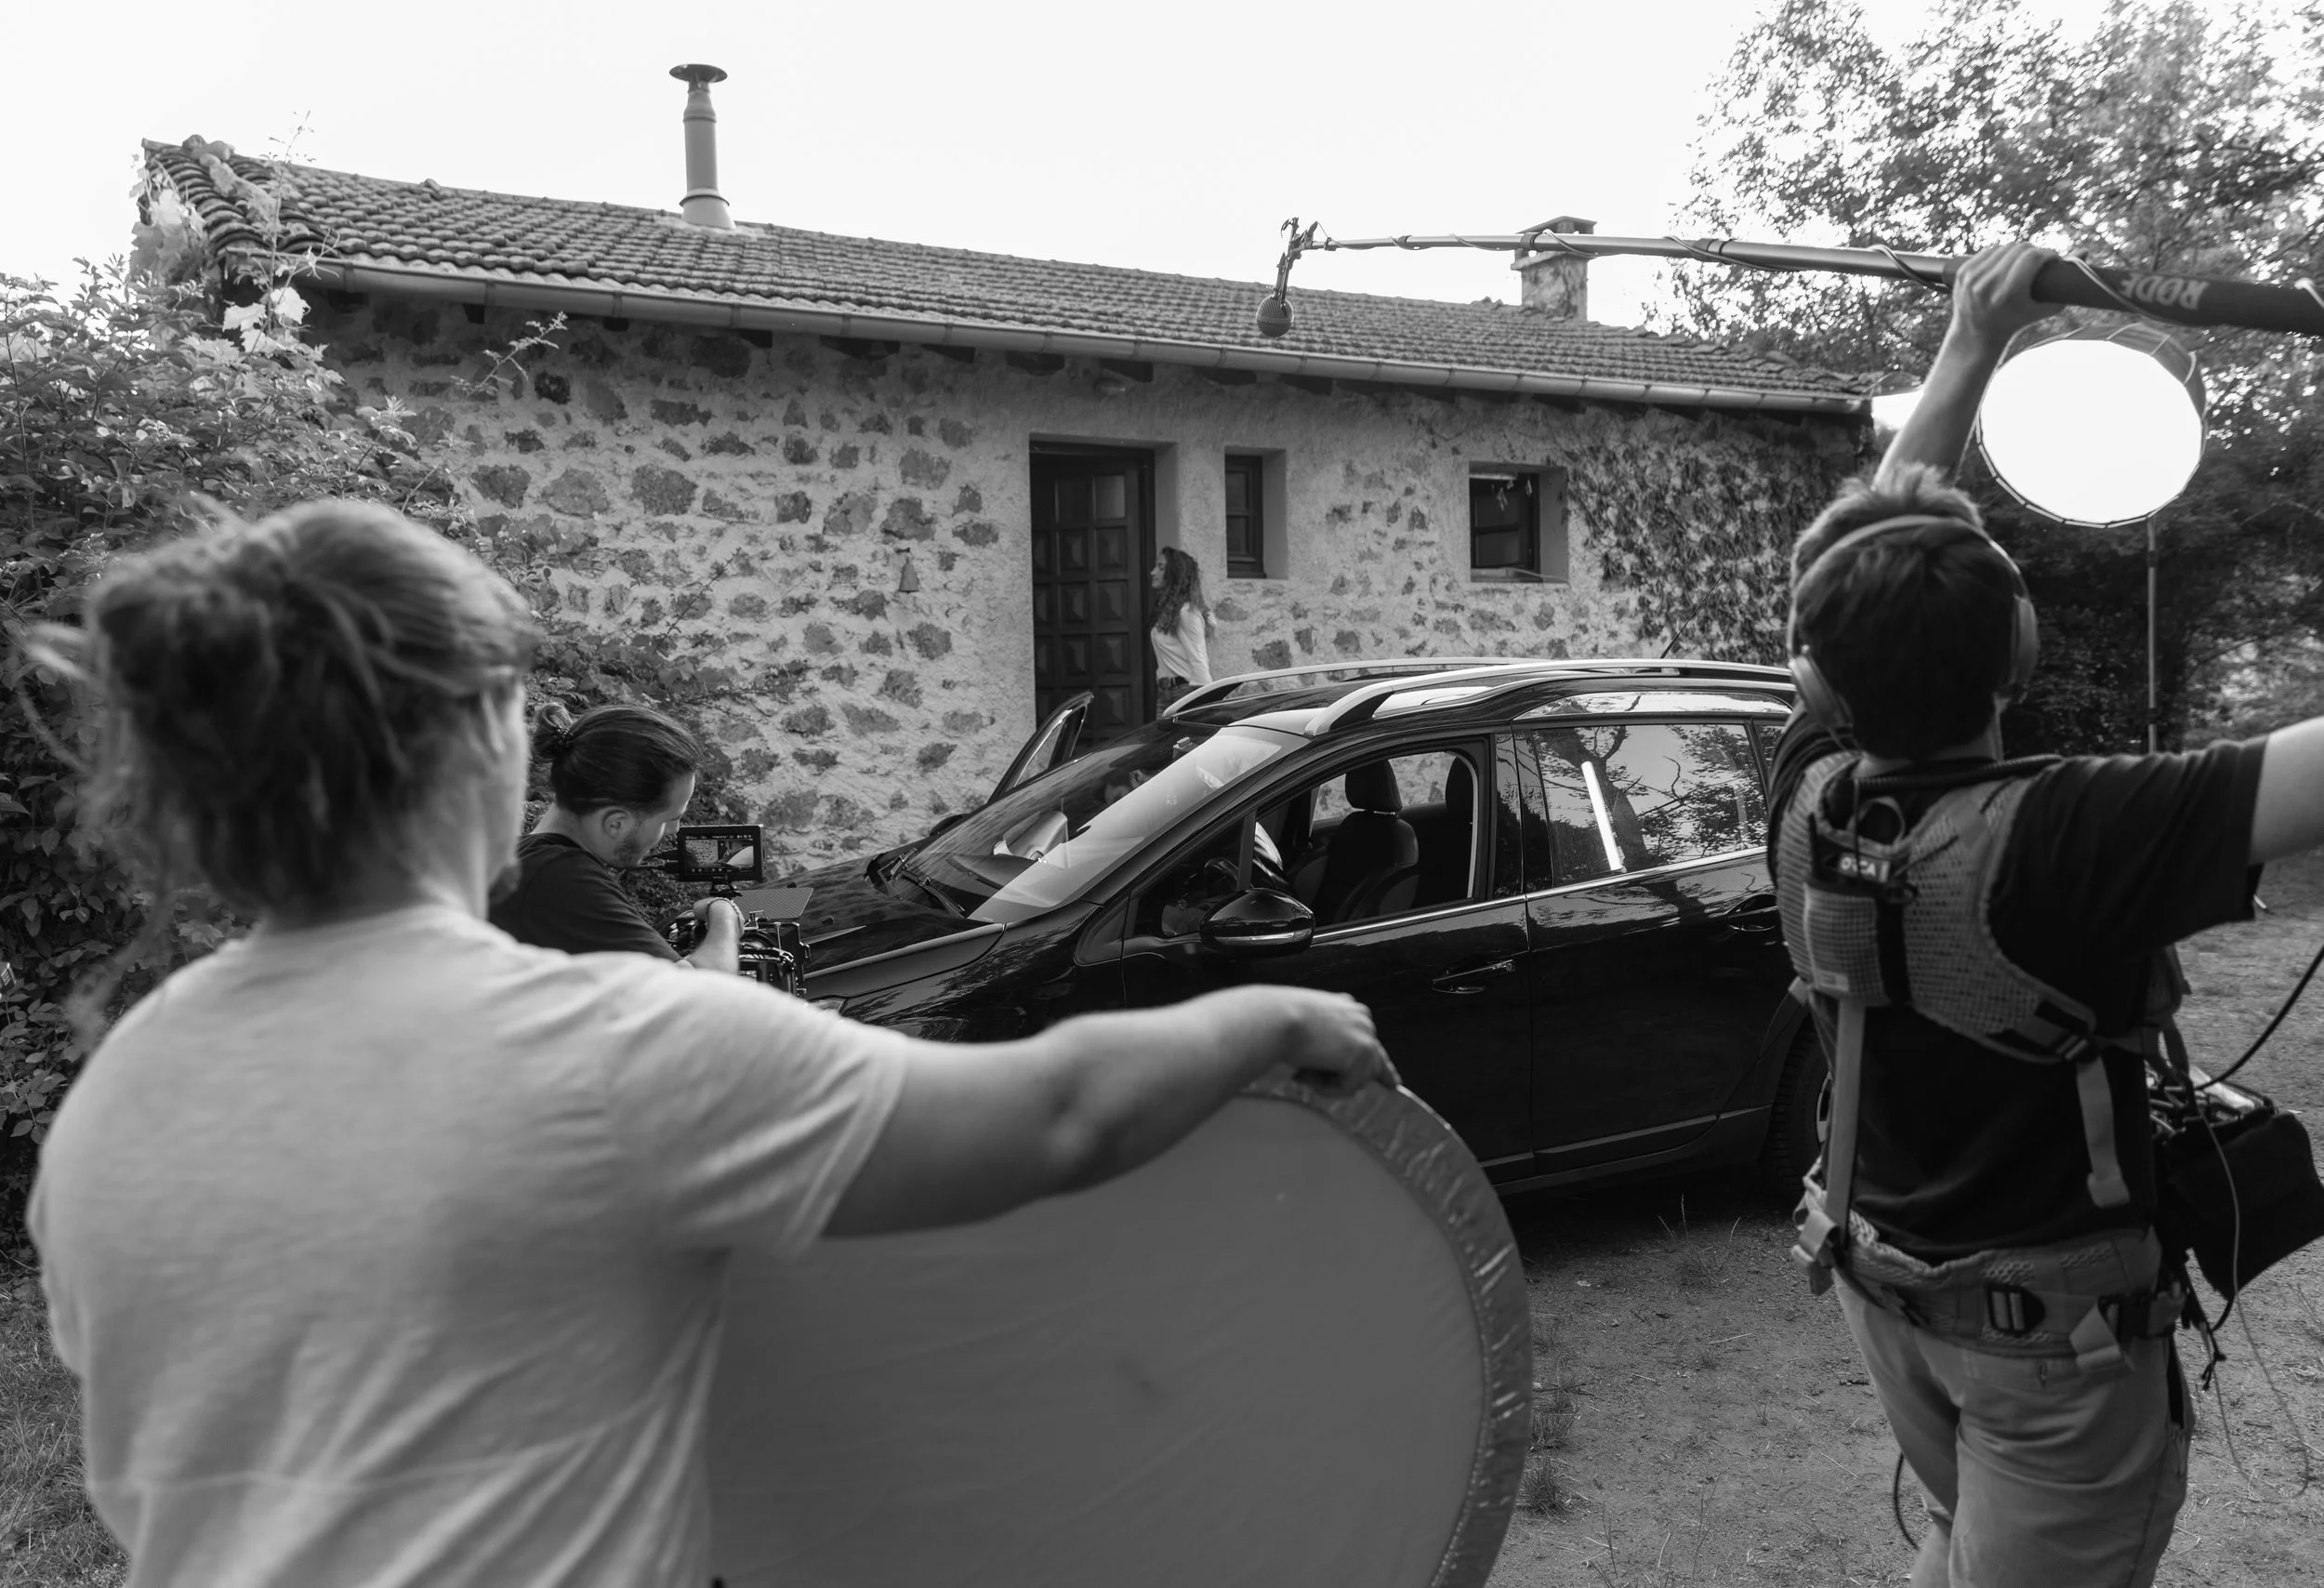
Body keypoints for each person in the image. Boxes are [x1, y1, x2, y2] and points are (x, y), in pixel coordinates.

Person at [27, 500, 1397, 1588]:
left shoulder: (120, 1095)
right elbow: (1055, 1121)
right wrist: (1271, 1014)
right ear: (486, 739)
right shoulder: (605, 1048)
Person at [1771, 242, 2324, 1588]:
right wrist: (1976, 343)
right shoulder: (2071, 835)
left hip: (1878, 1285)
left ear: (1816, 676)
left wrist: (1969, 348)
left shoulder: (1806, 795)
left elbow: (1857, 563)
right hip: (2048, 1350)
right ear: (2018, 654)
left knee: (1966, 1540)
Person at [487, 701, 742, 973]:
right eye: (670, 819)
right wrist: (725, 915)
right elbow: (699, 993)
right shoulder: (561, 879)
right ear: (616, 823)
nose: (674, 831)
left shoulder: (527, 860)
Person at [1149, 545, 1215, 711]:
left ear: (1174, 574)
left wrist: (1203, 706)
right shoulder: (1169, 611)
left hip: (1184, 693)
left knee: (1187, 738)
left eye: (1161, 567)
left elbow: (1198, 659)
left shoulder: (1186, 613)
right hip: (1166, 692)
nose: (1153, 572)